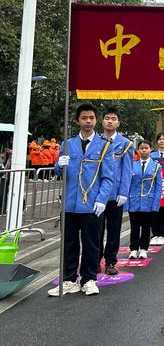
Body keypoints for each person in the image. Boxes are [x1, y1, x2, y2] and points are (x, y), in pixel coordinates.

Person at [48, 104, 114, 297]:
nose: (88, 121)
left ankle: (88, 279)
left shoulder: (104, 146)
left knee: (91, 243)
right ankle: (69, 280)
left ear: (96, 120)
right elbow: (59, 172)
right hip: (70, 202)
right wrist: (58, 166)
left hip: (92, 204)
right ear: (77, 120)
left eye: (91, 118)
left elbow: (108, 177)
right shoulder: (67, 144)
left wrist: (102, 199)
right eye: (84, 118)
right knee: (69, 243)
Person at [99, 107, 134, 275]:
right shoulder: (96, 141)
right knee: (95, 230)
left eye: (113, 118)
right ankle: (95, 259)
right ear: (102, 121)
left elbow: (127, 170)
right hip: (97, 194)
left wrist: (124, 192)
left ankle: (110, 262)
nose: (110, 121)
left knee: (114, 230)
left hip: (115, 195)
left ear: (118, 123)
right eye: (107, 118)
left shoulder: (125, 144)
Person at [126, 140, 162, 260]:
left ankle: (143, 249)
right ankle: (134, 249)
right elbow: (128, 184)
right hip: (134, 200)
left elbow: (158, 186)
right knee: (134, 226)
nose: (144, 150)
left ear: (151, 149)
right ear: (137, 150)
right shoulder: (132, 164)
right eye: (141, 148)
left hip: (148, 201)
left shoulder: (156, 166)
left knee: (146, 227)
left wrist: (156, 204)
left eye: (146, 148)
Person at [149, 132, 164, 245]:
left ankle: (162, 233)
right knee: (154, 210)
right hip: (153, 187)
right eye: (160, 139)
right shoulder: (152, 155)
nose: (162, 141)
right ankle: (155, 233)